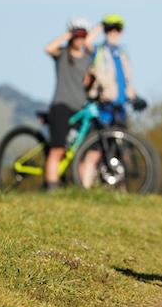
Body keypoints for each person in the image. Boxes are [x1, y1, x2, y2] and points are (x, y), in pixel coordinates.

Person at [78, 14, 145, 188]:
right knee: (95, 151)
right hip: (103, 108)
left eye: (117, 29)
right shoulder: (99, 50)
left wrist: (136, 97)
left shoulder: (122, 54)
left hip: (120, 109)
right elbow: (86, 43)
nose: (114, 32)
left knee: (123, 153)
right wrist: (101, 25)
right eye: (110, 29)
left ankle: (121, 190)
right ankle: (85, 189)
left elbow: (126, 83)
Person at [42, 18, 94, 190]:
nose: (79, 38)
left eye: (83, 35)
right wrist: (68, 34)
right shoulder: (63, 54)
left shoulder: (87, 58)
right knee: (57, 149)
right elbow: (48, 48)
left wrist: (92, 35)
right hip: (61, 106)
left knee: (80, 151)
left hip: (80, 109)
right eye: (77, 35)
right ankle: (52, 186)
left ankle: (82, 189)